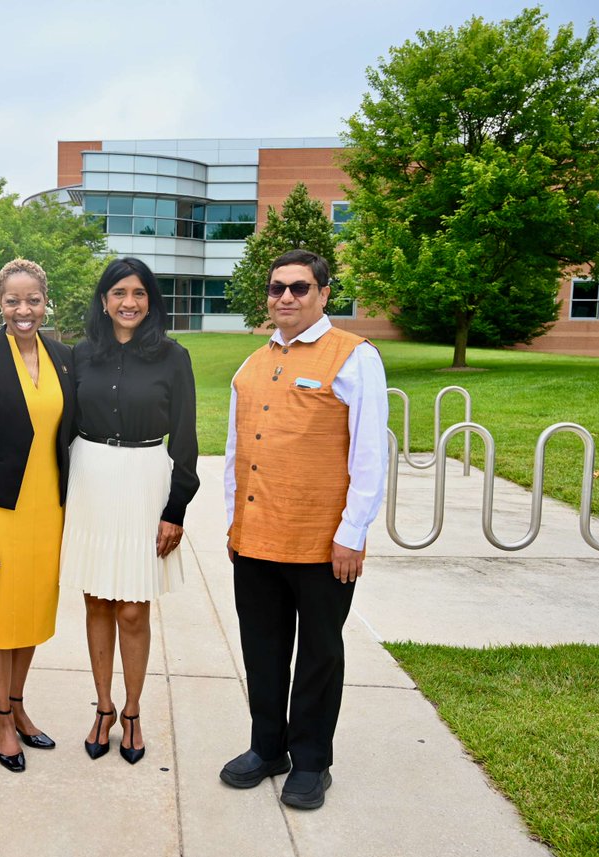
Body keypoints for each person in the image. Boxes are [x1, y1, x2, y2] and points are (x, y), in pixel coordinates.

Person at [219, 249, 388, 810]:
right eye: (277, 288)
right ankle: (268, 748)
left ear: (323, 293)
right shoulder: (250, 364)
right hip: (255, 538)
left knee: (319, 654)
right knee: (262, 650)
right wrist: (233, 524)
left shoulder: (354, 357)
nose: (286, 297)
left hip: (323, 543)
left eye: (299, 287)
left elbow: (369, 454)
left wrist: (353, 532)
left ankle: (312, 761)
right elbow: (236, 454)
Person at [60, 256, 199, 765]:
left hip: (145, 483)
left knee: (133, 608)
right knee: (97, 601)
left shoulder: (173, 356)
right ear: (104, 300)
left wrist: (176, 508)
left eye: (139, 293)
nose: (129, 302)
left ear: (150, 301)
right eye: (119, 292)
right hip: (91, 479)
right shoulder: (80, 355)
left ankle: (133, 712)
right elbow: (62, 427)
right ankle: (103, 707)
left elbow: (185, 435)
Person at [0, 259, 75, 773]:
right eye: (13, 300)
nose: (23, 310)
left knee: (30, 613)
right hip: (0, 511)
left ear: (46, 302)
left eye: (33, 300)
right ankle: (1, 716)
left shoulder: (64, 357)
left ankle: (19, 705)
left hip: (50, 509)